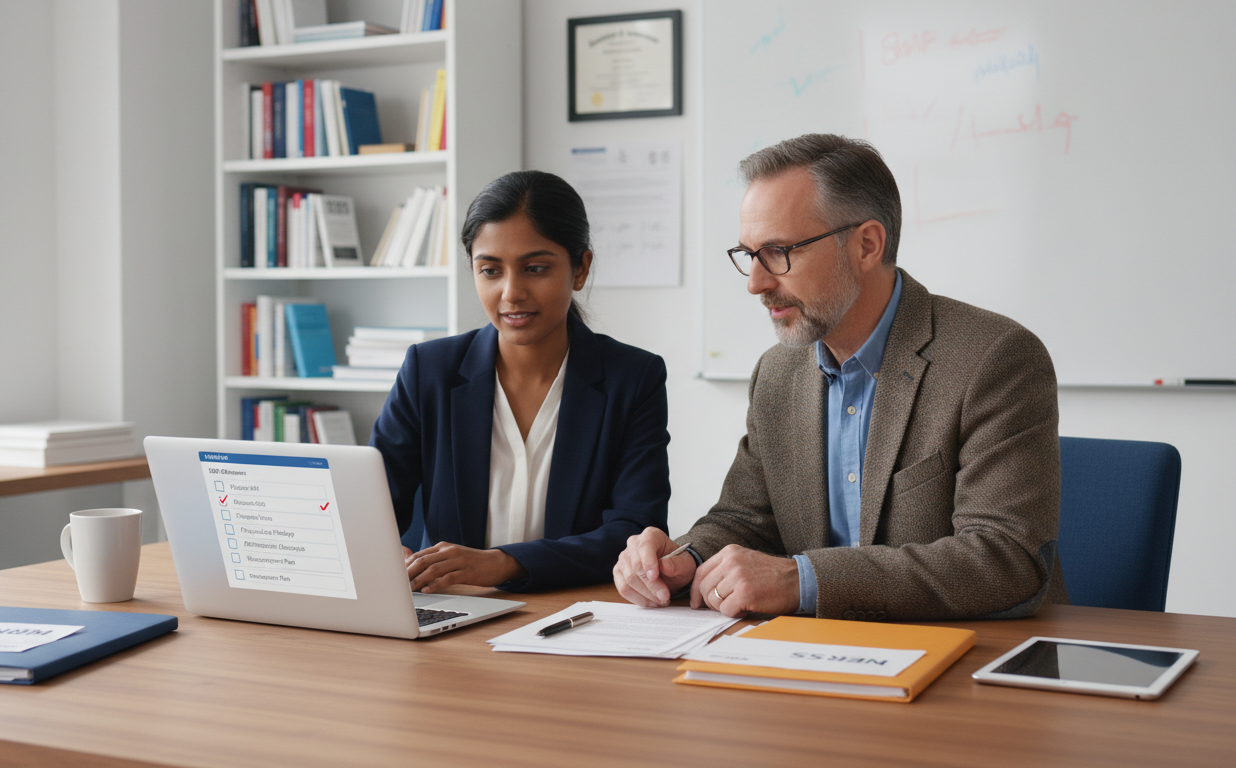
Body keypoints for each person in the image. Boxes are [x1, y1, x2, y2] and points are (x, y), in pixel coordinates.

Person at [614, 134, 1068, 621]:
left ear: (867, 245)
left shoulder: (992, 359)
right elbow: (744, 519)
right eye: (749, 255)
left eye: (778, 252)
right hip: (812, 656)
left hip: (966, 658)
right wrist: (685, 558)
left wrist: (802, 580)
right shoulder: (777, 373)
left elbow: (1004, 559)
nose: (756, 283)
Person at [371, 170, 670, 594]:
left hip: (569, 612)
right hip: (452, 612)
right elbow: (371, 506)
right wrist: (384, 550)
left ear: (580, 268)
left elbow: (635, 532)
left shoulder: (632, 378)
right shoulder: (429, 370)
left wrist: (504, 564)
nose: (511, 292)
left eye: (535, 268)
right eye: (490, 271)